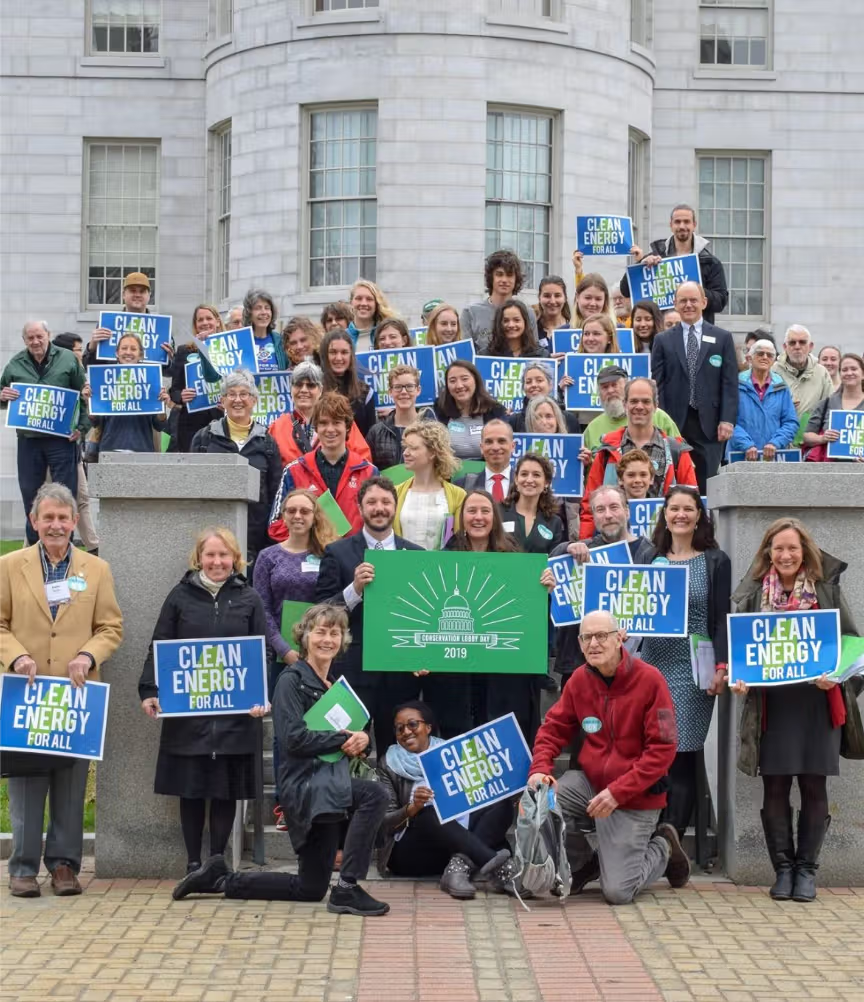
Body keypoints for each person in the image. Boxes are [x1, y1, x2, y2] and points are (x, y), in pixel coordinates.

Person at [171, 603, 391, 917]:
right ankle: (348, 887)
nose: (327, 639)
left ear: (343, 640)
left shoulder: (334, 685)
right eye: (320, 632)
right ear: (305, 637)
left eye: (334, 632)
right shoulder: (292, 680)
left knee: (310, 888)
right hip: (306, 785)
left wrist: (363, 738)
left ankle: (220, 880)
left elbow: (355, 727)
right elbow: (293, 739)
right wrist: (344, 739)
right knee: (375, 794)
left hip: (329, 782)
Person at [730, 518, 862, 902]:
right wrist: (740, 677)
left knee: (813, 784)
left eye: (793, 548)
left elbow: (852, 643)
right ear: (767, 553)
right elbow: (742, 650)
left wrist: (836, 677)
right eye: (778, 548)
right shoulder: (753, 594)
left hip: (817, 704)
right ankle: (783, 869)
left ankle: (807, 870)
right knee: (774, 785)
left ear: (805, 551)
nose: (785, 555)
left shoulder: (826, 590)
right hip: (772, 705)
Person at [1, 484, 123, 898]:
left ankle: (65, 865)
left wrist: (88, 656)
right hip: (27, 693)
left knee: (70, 784)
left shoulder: (96, 570)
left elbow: (110, 627)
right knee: (26, 781)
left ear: (75, 522)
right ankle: (22, 866)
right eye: (47, 518)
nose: (55, 525)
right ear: (34, 522)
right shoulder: (9, 565)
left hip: (76, 694)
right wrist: (16, 656)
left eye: (63, 518)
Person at [528, 610, 691, 903]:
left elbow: (663, 750)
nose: (594, 643)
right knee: (541, 802)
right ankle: (585, 861)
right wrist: (539, 769)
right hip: (590, 785)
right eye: (587, 637)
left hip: (635, 794)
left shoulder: (650, 680)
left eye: (602, 636)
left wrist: (617, 792)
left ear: (619, 639)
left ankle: (663, 847)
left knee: (618, 893)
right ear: (579, 644)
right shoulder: (578, 680)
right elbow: (552, 729)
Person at [138, 527, 267, 894]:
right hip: (189, 713)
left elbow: (263, 653)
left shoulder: (250, 598)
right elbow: (159, 644)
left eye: (224, 555)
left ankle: (217, 863)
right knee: (191, 788)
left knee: (225, 789)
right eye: (210, 555)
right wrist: (149, 689)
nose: (217, 562)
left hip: (235, 715)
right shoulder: (179, 597)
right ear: (199, 558)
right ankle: (193, 863)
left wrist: (262, 694)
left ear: (235, 559)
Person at [641, 488, 730, 840]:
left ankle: (671, 839)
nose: (680, 515)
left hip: (694, 670)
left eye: (688, 509)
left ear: (699, 516)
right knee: (651, 752)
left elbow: (723, 617)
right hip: (651, 663)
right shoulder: (649, 557)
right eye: (674, 508)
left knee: (680, 753)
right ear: (664, 514)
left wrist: (722, 666)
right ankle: (647, 833)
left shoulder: (714, 560)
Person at [314, 477, 423, 752]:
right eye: (371, 502)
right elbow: (321, 613)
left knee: (397, 750)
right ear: (360, 508)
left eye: (386, 502)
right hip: (353, 669)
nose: (379, 508)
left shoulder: (416, 554)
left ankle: (397, 797)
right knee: (350, 747)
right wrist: (355, 589)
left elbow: (424, 613)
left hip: (401, 672)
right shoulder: (337, 553)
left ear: (395, 507)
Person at [253, 489, 339, 831]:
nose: (298, 516)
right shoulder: (268, 557)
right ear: (283, 516)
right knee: (285, 734)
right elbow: (262, 611)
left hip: (324, 658)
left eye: (305, 510)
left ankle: (320, 798)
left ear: (315, 515)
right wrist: (286, 652)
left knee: (322, 727)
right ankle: (285, 804)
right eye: (292, 510)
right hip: (284, 659)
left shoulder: (329, 554)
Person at [377, 701, 515, 897]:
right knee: (428, 813)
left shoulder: (453, 753)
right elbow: (384, 823)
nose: (406, 732)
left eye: (412, 724)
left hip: (456, 843)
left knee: (501, 804)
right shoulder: (387, 763)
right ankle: (503, 870)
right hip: (413, 852)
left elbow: (481, 798)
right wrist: (412, 808)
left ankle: (457, 869)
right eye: (399, 729)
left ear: (428, 727)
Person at [444, 490, 546, 743]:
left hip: (505, 667)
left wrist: (544, 587)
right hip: (460, 670)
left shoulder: (513, 555)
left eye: (485, 511)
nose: (478, 517)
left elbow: (527, 608)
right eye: (472, 511)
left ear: (495, 518)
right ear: (462, 517)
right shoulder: (447, 555)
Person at [544, 487, 654, 689]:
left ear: (627, 511)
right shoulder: (581, 550)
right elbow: (551, 563)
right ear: (593, 516)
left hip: (633, 665)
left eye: (614, 507)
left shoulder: (651, 553)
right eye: (600, 510)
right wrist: (566, 548)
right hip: (581, 666)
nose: (608, 515)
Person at [0, 321, 86, 545]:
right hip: (29, 441)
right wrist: (2, 395)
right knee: (30, 495)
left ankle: (65, 547)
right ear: (24, 340)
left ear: (48, 335)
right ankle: (34, 549)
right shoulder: (15, 363)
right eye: (30, 338)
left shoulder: (68, 359)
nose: (36, 341)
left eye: (39, 336)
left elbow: (84, 395)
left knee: (66, 495)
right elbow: (2, 391)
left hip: (62, 440)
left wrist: (81, 428)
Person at [580, 377, 698, 538]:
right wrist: (586, 543)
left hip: (665, 543)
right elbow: (589, 505)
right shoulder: (607, 450)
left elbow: (693, 502)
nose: (639, 407)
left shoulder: (676, 451)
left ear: (656, 406)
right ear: (625, 404)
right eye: (634, 401)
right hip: (615, 544)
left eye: (646, 401)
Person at [651, 281, 738, 492]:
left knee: (707, 484)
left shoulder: (722, 338)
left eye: (693, 300)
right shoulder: (662, 340)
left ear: (704, 302)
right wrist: (660, 421)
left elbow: (729, 383)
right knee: (674, 482)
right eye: (683, 301)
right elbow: (657, 384)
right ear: (675, 304)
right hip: (674, 423)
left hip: (710, 425)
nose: (688, 305)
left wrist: (727, 420)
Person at [190, 370, 282, 566]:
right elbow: (193, 488)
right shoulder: (204, 438)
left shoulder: (268, 443)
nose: (237, 400)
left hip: (255, 544)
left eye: (244, 394)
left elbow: (274, 496)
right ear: (222, 400)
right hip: (213, 540)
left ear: (254, 400)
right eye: (231, 394)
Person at [269, 391, 378, 540]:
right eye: (324, 423)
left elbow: (379, 524)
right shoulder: (294, 470)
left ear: (347, 427)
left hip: (354, 560)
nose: (330, 429)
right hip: (308, 559)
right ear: (316, 428)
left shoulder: (368, 472)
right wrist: (313, 535)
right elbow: (275, 526)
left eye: (336, 423)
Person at [620, 204, 729, 323]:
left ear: (694, 225)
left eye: (686, 222)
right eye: (677, 222)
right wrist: (640, 265)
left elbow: (721, 301)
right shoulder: (655, 258)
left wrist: (694, 290)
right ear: (671, 225)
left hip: (697, 332)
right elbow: (625, 290)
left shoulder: (710, 262)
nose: (682, 226)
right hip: (663, 332)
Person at [269, 360, 371, 468]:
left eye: (311, 385)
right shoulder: (277, 427)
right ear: (291, 389)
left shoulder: (339, 420)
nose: (304, 390)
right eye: (298, 385)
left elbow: (363, 461)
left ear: (320, 390)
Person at [51, 333, 98, 554]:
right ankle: (30, 546)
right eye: (79, 350)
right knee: (46, 500)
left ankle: (93, 546)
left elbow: (87, 416)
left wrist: (87, 400)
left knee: (82, 497)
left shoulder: (81, 377)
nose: (82, 355)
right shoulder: (56, 375)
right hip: (50, 450)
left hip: (74, 450)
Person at [88, 331, 169, 454]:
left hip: (142, 449)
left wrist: (162, 406)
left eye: (133, 349)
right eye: (124, 348)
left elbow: (159, 425)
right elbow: (95, 422)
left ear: (141, 355)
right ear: (117, 353)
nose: (128, 352)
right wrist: (89, 400)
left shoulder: (151, 380)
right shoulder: (104, 380)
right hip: (110, 448)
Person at [393, 421, 465, 550]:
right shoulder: (395, 493)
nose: (405, 453)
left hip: (440, 568)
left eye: (413, 448)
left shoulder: (458, 495)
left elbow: (459, 542)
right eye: (405, 447)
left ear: (432, 452)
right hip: (402, 566)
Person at [581, 366, 682, 453]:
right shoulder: (592, 428)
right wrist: (588, 462)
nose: (610, 390)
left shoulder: (658, 416)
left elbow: (682, 457)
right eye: (605, 387)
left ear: (626, 387)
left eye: (614, 385)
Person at [728, 339, 799, 461]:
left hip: (774, 456)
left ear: (773, 360)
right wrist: (747, 445)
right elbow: (728, 420)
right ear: (750, 358)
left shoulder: (781, 386)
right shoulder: (735, 384)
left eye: (770, 355)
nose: (765, 357)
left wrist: (775, 443)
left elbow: (791, 422)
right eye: (760, 353)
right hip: (739, 454)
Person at [169, 304, 225, 453]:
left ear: (218, 321)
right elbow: (173, 390)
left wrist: (230, 402)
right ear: (195, 325)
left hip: (221, 419)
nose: (205, 323)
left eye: (209, 318)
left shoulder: (229, 350)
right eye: (200, 320)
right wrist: (181, 396)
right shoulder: (184, 351)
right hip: (190, 424)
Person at [460, 249, 539, 353]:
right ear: (491, 277)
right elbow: (466, 356)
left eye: (509, 275)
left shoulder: (528, 313)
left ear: (516, 279)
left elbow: (534, 352)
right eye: (499, 274)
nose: (504, 280)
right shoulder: (470, 313)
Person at [84, 271, 167, 366]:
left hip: (147, 380)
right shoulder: (107, 324)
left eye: (142, 291)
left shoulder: (161, 327)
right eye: (133, 290)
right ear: (123, 294)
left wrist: (169, 359)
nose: (137, 295)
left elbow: (170, 372)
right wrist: (92, 348)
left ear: (149, 295)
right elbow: (88, 366)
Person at [366, 364, 436, 471]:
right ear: (390, 391)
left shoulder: (433, 430)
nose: (404, 392)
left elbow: (442, 468)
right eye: (398, 387)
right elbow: (368, 471)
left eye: (409, 386)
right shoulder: (376, 432)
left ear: (418, 390)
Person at [434, 361, 506, 460]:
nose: (459, 385)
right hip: (448, 472)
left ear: (475, 380)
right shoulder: (439, 410)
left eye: (464, 379)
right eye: (452, 381)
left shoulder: (495, 410)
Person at [804, 353, 864, 461]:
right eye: (844, 370)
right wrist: (822, 438)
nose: (849, 373)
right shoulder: (826, 403)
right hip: (830, 471)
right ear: (840, 374)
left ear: (863, 374)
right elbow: (807, 436)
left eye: (854, 369)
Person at [319, 328, 377, 438]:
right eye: (333, 352)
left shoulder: (365, 392)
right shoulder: (316, 390)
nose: (339, 358)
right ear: (325, 355)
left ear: (351, 355)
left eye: (344, 352)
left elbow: (369, 437)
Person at [500, 454, 564, 553]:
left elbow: (554, 558)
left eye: (536, 475)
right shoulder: (498, 512)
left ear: (546, 483)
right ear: (516, 479)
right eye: (524, 474)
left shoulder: (554, 522)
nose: (529, 480)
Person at [772, 326, 835, 418]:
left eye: (802, 342)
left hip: (812, 430)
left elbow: (830, 407)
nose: (797, 347)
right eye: (792, 343)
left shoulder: (821, 372)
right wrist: (783, 407)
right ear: (785, 347)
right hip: (780, 430)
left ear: (810, 346)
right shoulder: (773, 371)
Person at [508, 365, 581, 434]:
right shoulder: (514, 421)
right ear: (523, 388)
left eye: (539, 380)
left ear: (550, 385)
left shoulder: (570, 419)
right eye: (528, 382)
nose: (533, 385)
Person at [452, 418, 514, 498]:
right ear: (481, 448)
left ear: (513, 446)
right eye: (489, 442)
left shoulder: (524, 485)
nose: (495, 447)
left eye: (501, 441)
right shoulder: (461, 487)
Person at [485, 299, 549, 358]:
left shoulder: (541, 355)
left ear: (525, 322)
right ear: (498, 324)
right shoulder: (486, 355)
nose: (511, 325)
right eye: (506, 320)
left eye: (516, 320)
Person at [346, 279, 397, 353]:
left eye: (369, 299)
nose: (363, 303)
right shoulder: (341, 337)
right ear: (351, 302)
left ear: (376, 304)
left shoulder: (388, 337)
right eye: (359, 298)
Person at [243, 288, 286, 372]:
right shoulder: (242, 340)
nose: (263, 312)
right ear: (249, 313)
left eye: (267, 308)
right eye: (258, 308)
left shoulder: (279, 340)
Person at [535, 275, 572, 353]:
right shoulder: (531, 330)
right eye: (547, 296)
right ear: (539, 297)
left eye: (557, 296)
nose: (552, 301)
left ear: (565, 298)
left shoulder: (573, 328)